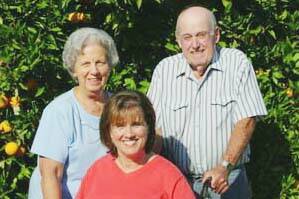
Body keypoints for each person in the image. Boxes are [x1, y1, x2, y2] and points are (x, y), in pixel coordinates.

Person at [147, 5, 267, 199]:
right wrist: (150, 172)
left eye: (201, 35)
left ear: (216, 35)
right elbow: (156, 129)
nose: (195, 45)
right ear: (178, 41)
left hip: (228, 180)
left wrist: (224, 166)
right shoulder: (164, 70)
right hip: (178, 182)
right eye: (187, 37)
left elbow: (247, 120)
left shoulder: (236, 63)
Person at [28, 27, 119, 199]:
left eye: (100, 62)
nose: (94, 71)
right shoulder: (60, 111)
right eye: (85, 63)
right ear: (73, 69)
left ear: (110, 66)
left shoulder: (117, 107)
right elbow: (51, 176)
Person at [76, 90, 196, 199]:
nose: (129, 133)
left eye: (136, 124)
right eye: (120, 126)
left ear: (148, 127)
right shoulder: (97, 172)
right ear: (108, 131)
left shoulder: (168, 175)